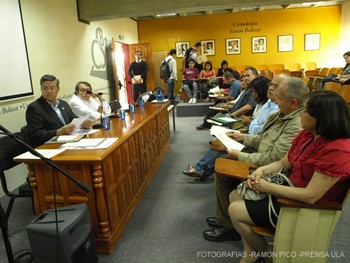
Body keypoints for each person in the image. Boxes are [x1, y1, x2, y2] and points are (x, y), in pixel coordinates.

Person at [228, 90, 350, 263]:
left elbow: (310, 196)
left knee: (235, 209)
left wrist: (266, 187)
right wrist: (262, 171)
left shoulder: (337, 150)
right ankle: (251, 253)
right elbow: (284, 163)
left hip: (304, 209)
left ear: (322, 117)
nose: (300, 113)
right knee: (234, 195)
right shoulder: (307, 135)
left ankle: (266, 253)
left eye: (306, 111)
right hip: (288, 193)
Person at [203, 77, 308, 242]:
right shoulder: (281, 114)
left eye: (279, 98)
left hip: (269, 167)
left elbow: (273, 158)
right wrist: (242, 137)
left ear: (293, 102)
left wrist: (240, 155)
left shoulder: (295, 124)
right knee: (224, 163)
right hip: (260, 156)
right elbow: (263, 139)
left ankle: (229, 226)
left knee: (224, 173)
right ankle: (226, 219)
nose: (275, 100)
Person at [183, 76, 270, 181]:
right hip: (248, 130)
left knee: (225, 141)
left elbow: (260, 128)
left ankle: (201, 169)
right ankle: (201, 169)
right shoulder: (261, 103)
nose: (245, 80)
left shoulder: (270, 107)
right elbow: (257, 119)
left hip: (252, 136)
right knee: (222, 135)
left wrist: (249, 122)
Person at [26, 74, 91, 147]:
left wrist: (82, 123)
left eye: (52, 88)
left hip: (70, 142)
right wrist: (57, 132)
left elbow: (73, 118)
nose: (49, 91)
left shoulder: (63, 104)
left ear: (58, 89)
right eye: (45, 88)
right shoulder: (34, 108)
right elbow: (36, 135)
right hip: (51, 147)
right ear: (41, 89)